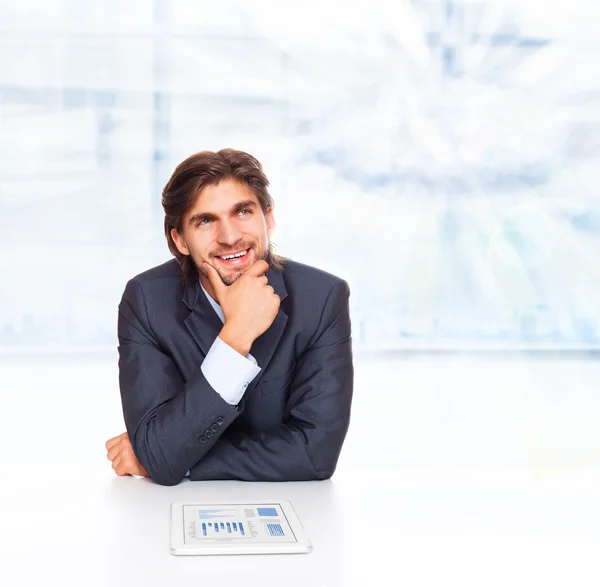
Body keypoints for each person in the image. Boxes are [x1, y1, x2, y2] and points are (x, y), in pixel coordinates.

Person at [105, 148, 353, 485]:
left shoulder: (322, 299)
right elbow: (159, 451)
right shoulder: (147, 301)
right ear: (179, 240)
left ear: (268, 219)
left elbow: (315, 455)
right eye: (205, 220)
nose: (230, 237)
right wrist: (236, 336)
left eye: (242, 212)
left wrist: (172, 458)